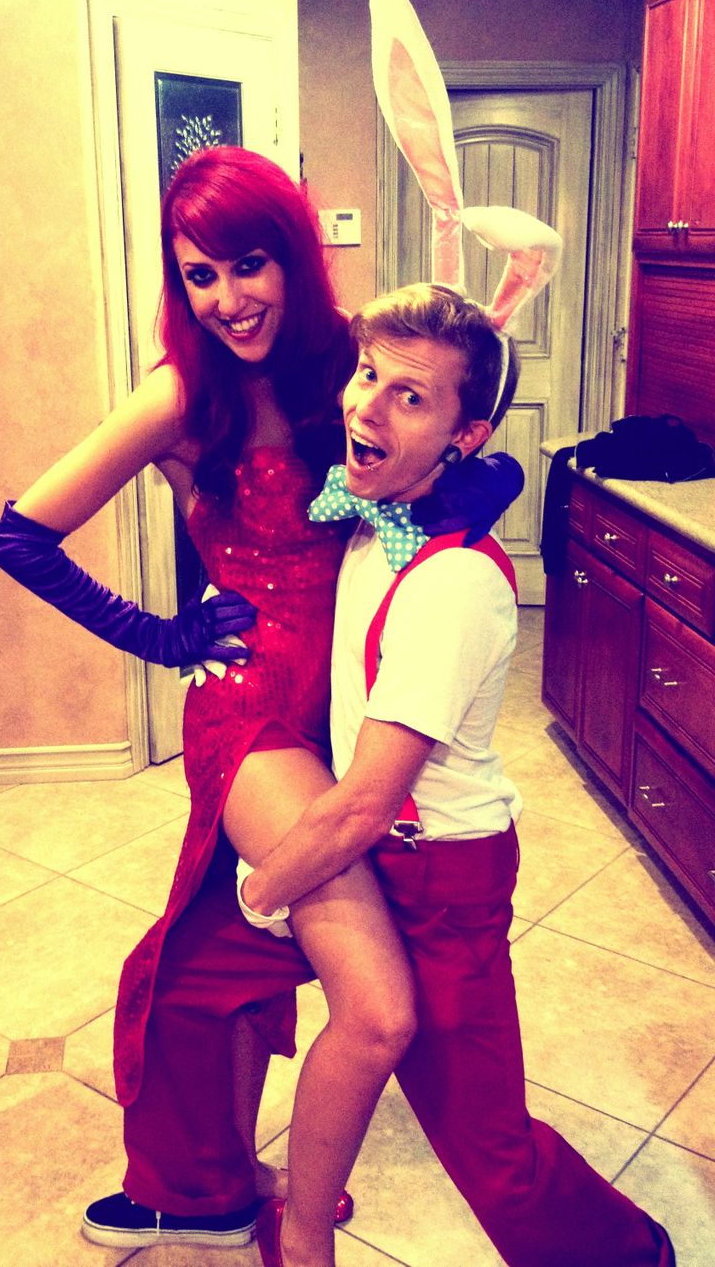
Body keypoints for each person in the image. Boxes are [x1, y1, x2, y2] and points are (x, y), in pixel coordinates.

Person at [0, 145, 522, 1257]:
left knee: (226, 951)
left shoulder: (346, 366)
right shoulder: (181, 392)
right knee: (375, 1005)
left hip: (345, 707)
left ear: (291, 253)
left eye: (248, 263)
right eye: (198, 276)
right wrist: (165, 634)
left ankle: (209, 1180)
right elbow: (19, 534)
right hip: (252, 720)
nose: (228, 298)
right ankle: (294, 1233)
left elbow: (439, 443)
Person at [237, 282, 677, 1267]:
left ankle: (624, 1251)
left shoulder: (453, 586)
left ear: (463, 436)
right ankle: (283, 1218)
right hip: (382, 863)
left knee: (484, 1146)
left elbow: (361, 803)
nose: (366, 407)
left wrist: (261, 892)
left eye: (410, 398)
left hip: (440, 880)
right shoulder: (367, 506)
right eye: (367, 377)